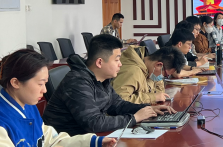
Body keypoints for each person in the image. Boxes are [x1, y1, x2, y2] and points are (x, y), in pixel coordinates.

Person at [43, 35, 173, 135]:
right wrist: (134, 118)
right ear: (99, 62)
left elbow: (117, 105)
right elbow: (93, 123)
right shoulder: (78, 82)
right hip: (66, 146)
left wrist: (147, 109)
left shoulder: (102, 79)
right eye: (117, 60)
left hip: (88, 139)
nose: (120, 64)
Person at [112, 45, 186, 104]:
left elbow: (160, 91)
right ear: (158, 65)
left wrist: (156, 96)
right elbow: (119, 101)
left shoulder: (150, 68)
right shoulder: (132, 72)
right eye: (165, 75)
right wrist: (152, 97)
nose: (162, 78)